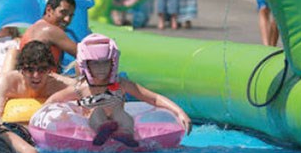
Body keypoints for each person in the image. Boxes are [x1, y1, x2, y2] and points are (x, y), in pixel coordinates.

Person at [45, 33, 191, 147]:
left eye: (105, 63)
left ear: (113, 62)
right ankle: (104, 129)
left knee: (121, 114)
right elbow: (54, 100)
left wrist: (180, 112)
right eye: (95, 64)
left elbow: (154, 98)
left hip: (118, 121)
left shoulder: (121, 84)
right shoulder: (82, 89)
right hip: (91, 128)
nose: (101, 69)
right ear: (86, 65)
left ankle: (123, 134)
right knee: (97, 113)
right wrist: (49, 118)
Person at [0, 41, 75, 121]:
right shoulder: (6, 82)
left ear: (49, 70)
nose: (36, 75)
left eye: (42, 69)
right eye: (30, 70)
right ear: (21, 69)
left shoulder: (59, 85)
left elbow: (83, 88)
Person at [3, 0, 78, 73]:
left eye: (71, 15)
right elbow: (84, 53)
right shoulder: (50, 30)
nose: (67, 19)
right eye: (63, 12)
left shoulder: (35, 27)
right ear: (49, 10)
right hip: (41, 81)